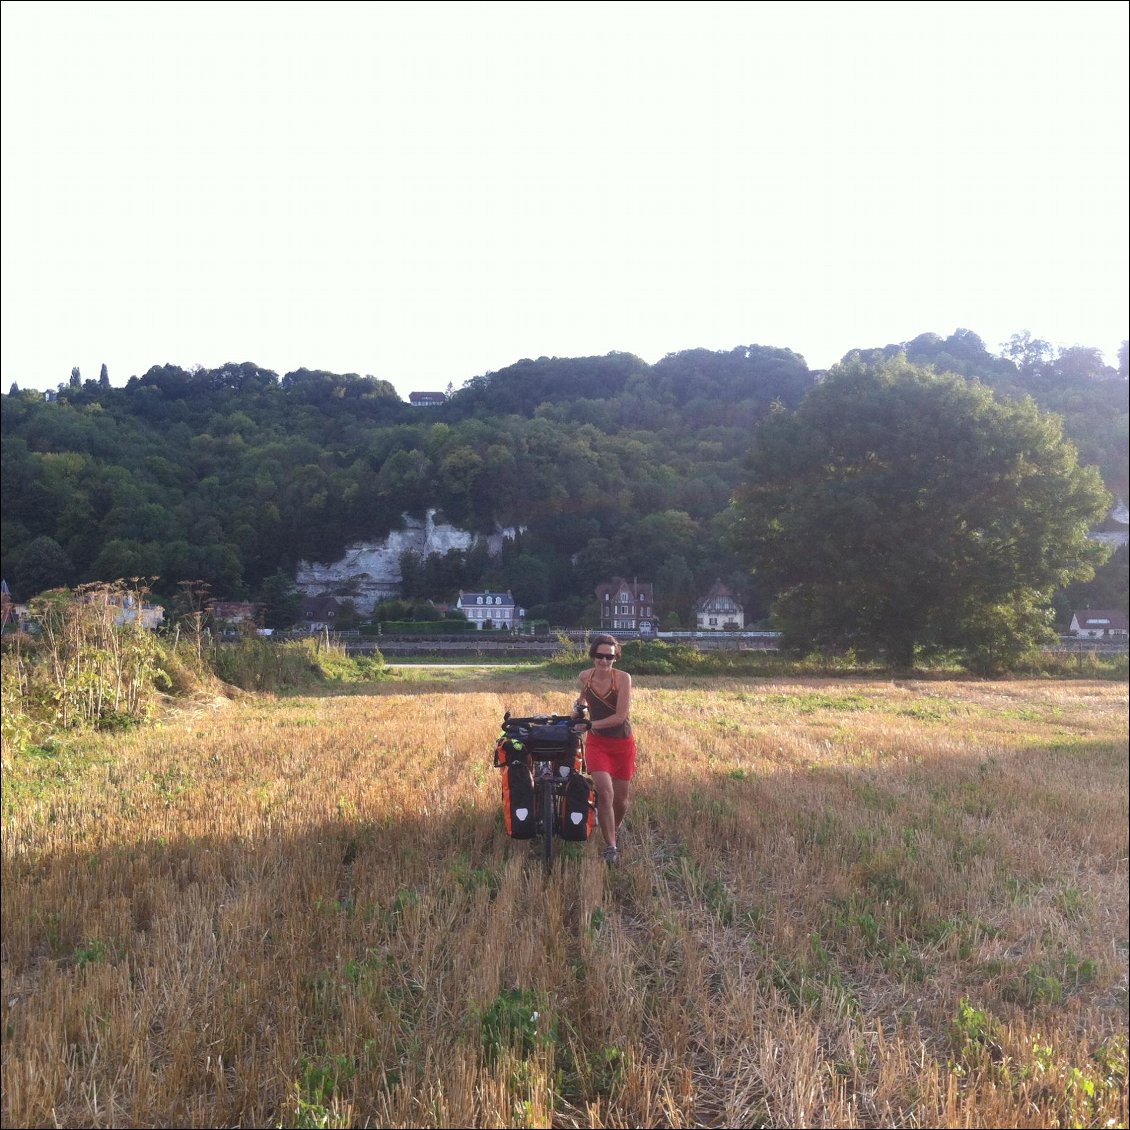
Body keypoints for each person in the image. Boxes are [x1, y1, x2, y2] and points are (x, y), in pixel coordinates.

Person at [575, 634, 635, 865]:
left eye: (609, 656)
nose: (604, 661)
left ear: (615, 657)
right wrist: (578, 708)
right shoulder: (584, 677)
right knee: (605, 791)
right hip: (597, 743)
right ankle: (611, 846)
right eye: (599, 656)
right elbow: (583, 698)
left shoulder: (622, 679)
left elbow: (620, 717)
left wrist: (590, 724)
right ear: (593, 656)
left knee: (620, 800)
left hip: (621, 743)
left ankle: (613, 828)